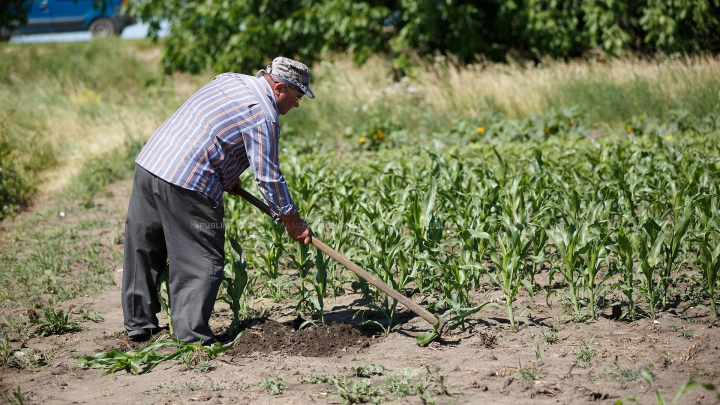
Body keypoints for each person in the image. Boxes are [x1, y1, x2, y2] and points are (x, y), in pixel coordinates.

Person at [122, 57, 313, 344]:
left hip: (153, 162)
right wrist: (292, 219)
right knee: (201, 260)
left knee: (144, 245)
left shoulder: (230, 79)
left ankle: (139, 325)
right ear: (280, 88)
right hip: (190, 181)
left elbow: (212, 124)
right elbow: (268, 177)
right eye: (297, 97)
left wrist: (227, 174)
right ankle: (193, 338)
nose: (297, 105)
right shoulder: (264, 114)